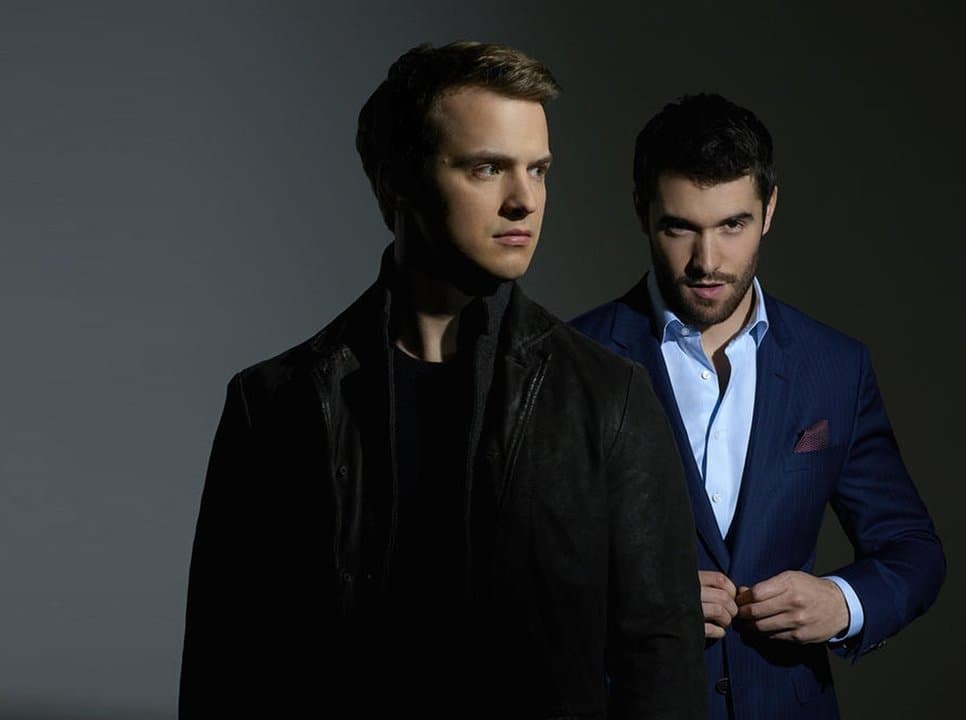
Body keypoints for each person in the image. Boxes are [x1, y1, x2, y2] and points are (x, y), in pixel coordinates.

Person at [179, 42, 704, 719]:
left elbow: (661, 666)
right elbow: (222, 669)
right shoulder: (274, 405)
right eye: (487, 168)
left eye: (539, 170)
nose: (525, 201)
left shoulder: (610, 399)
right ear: (396, 182)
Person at [571, 93, 946, 719]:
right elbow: (509, 574)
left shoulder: (835, 368)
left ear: (769, 210)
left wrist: (843, 602)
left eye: (732, 226)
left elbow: (913, 548)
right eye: (679, 227)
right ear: (642, 211)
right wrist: (635, 604)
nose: (707, 262)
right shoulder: (572, 361)